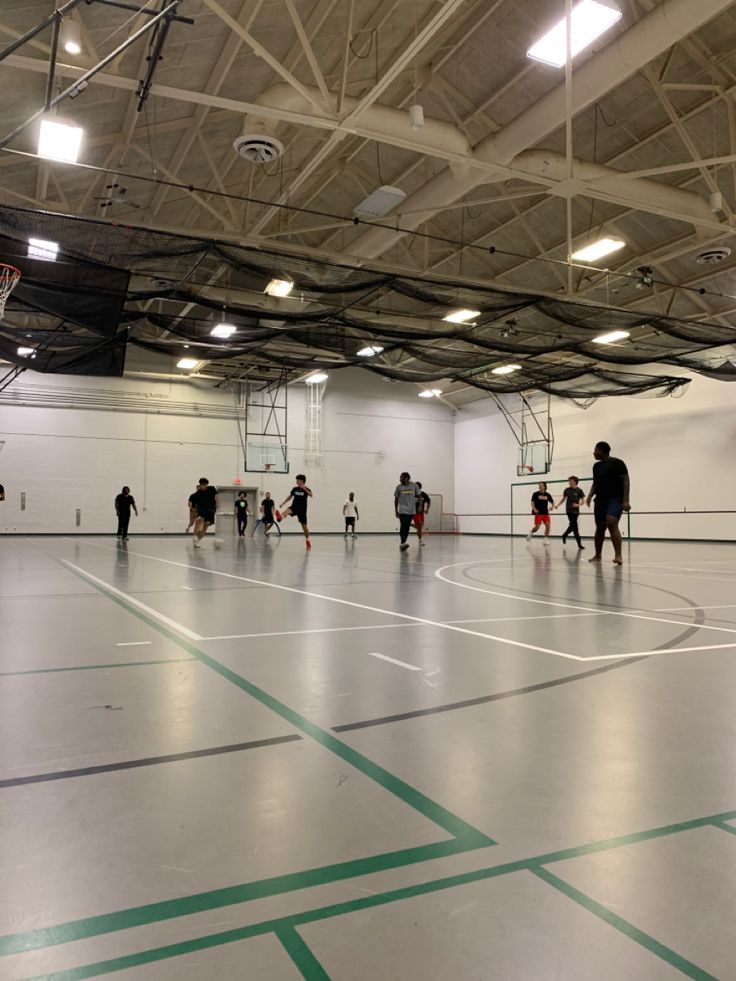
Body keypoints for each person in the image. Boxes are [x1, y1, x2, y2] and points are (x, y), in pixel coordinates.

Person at [586, 441, 630, 566]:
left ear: (601, 451)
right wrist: (590, 495)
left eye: (595, 450)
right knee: (600, 528)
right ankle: (598, 555)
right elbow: (595, 483)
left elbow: (626, 481)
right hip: (600, 500)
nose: (594, 453)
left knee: (611, 522)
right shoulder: (596, 466)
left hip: (615, 499)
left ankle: (618, 555)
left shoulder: (618, 463)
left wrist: (626, 500)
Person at [279, 474, 313, 549]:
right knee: (288, 510)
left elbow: (311, 495)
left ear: (302, 481)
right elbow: (290, 496)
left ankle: (307, 539)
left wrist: (305, 489)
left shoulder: (307, 489)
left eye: (297, 480)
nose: (296, 481)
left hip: (302, 510)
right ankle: (280, 517)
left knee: (304, 526)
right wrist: (283, 503)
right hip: (294, 507)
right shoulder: (295, 489)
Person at [555, 476, 586, 549]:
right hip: (569, 511)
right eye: (569, 481)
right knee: (575, 528)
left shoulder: (579, 490)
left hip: (576, 511)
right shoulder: (567, 490)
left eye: (570, 481)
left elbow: (583, 501)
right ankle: (579, 544)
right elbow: (563, 499)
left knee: (573, 526)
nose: (569, 482)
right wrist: (558, 505)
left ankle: (565, 535)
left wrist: (577, 505)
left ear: (575, 482)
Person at [394, 472, 420, 551]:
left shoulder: (414, 486)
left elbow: (419, 496)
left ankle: (403, 542)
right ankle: (402, 543)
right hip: (402, 510)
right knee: (403, 525)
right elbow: (396, 499)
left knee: (407, 526)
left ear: (407, 478)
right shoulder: (399, 487)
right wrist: (396, 510)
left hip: (411, 510)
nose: (400, 479)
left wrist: (420, 506)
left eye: (401, 478)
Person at [191, 477, 219, 548]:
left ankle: (197, 540)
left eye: (204, 485)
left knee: (205, 528)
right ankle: (195, 536)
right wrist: (195, 512)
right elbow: (195, 503)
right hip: (202, 510)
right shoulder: (198, 493)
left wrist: (217, 503)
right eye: (201, 485)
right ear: (200, 485)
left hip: (211, 510)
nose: (203, 486)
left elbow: (217, 496)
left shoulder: (212, 489)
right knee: (200, 522)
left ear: (207, 485)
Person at [413, 482, 431, 546]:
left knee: (420, 527)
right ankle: (420, 540)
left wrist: (427, 509)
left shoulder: (423, 494)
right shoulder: (411, 494)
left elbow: (429, 501)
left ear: (420, 487)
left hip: (421, 513)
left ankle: (409, 524)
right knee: (420, 526)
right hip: (414, 512)